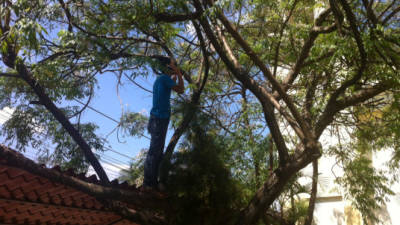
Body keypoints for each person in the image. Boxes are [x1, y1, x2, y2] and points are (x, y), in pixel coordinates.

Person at [143, 56, 184, 189]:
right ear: (167, 67)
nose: (174, 66)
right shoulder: (164, 79)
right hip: (160, 118)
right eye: (173, 65)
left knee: (157, 149)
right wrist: (178, 73)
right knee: (155, 150)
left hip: (157, 118)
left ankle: (152, 182)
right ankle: (149, 183)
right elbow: (181, 90)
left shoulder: (162, 80)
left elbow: (171, 86)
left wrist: (175, 76)